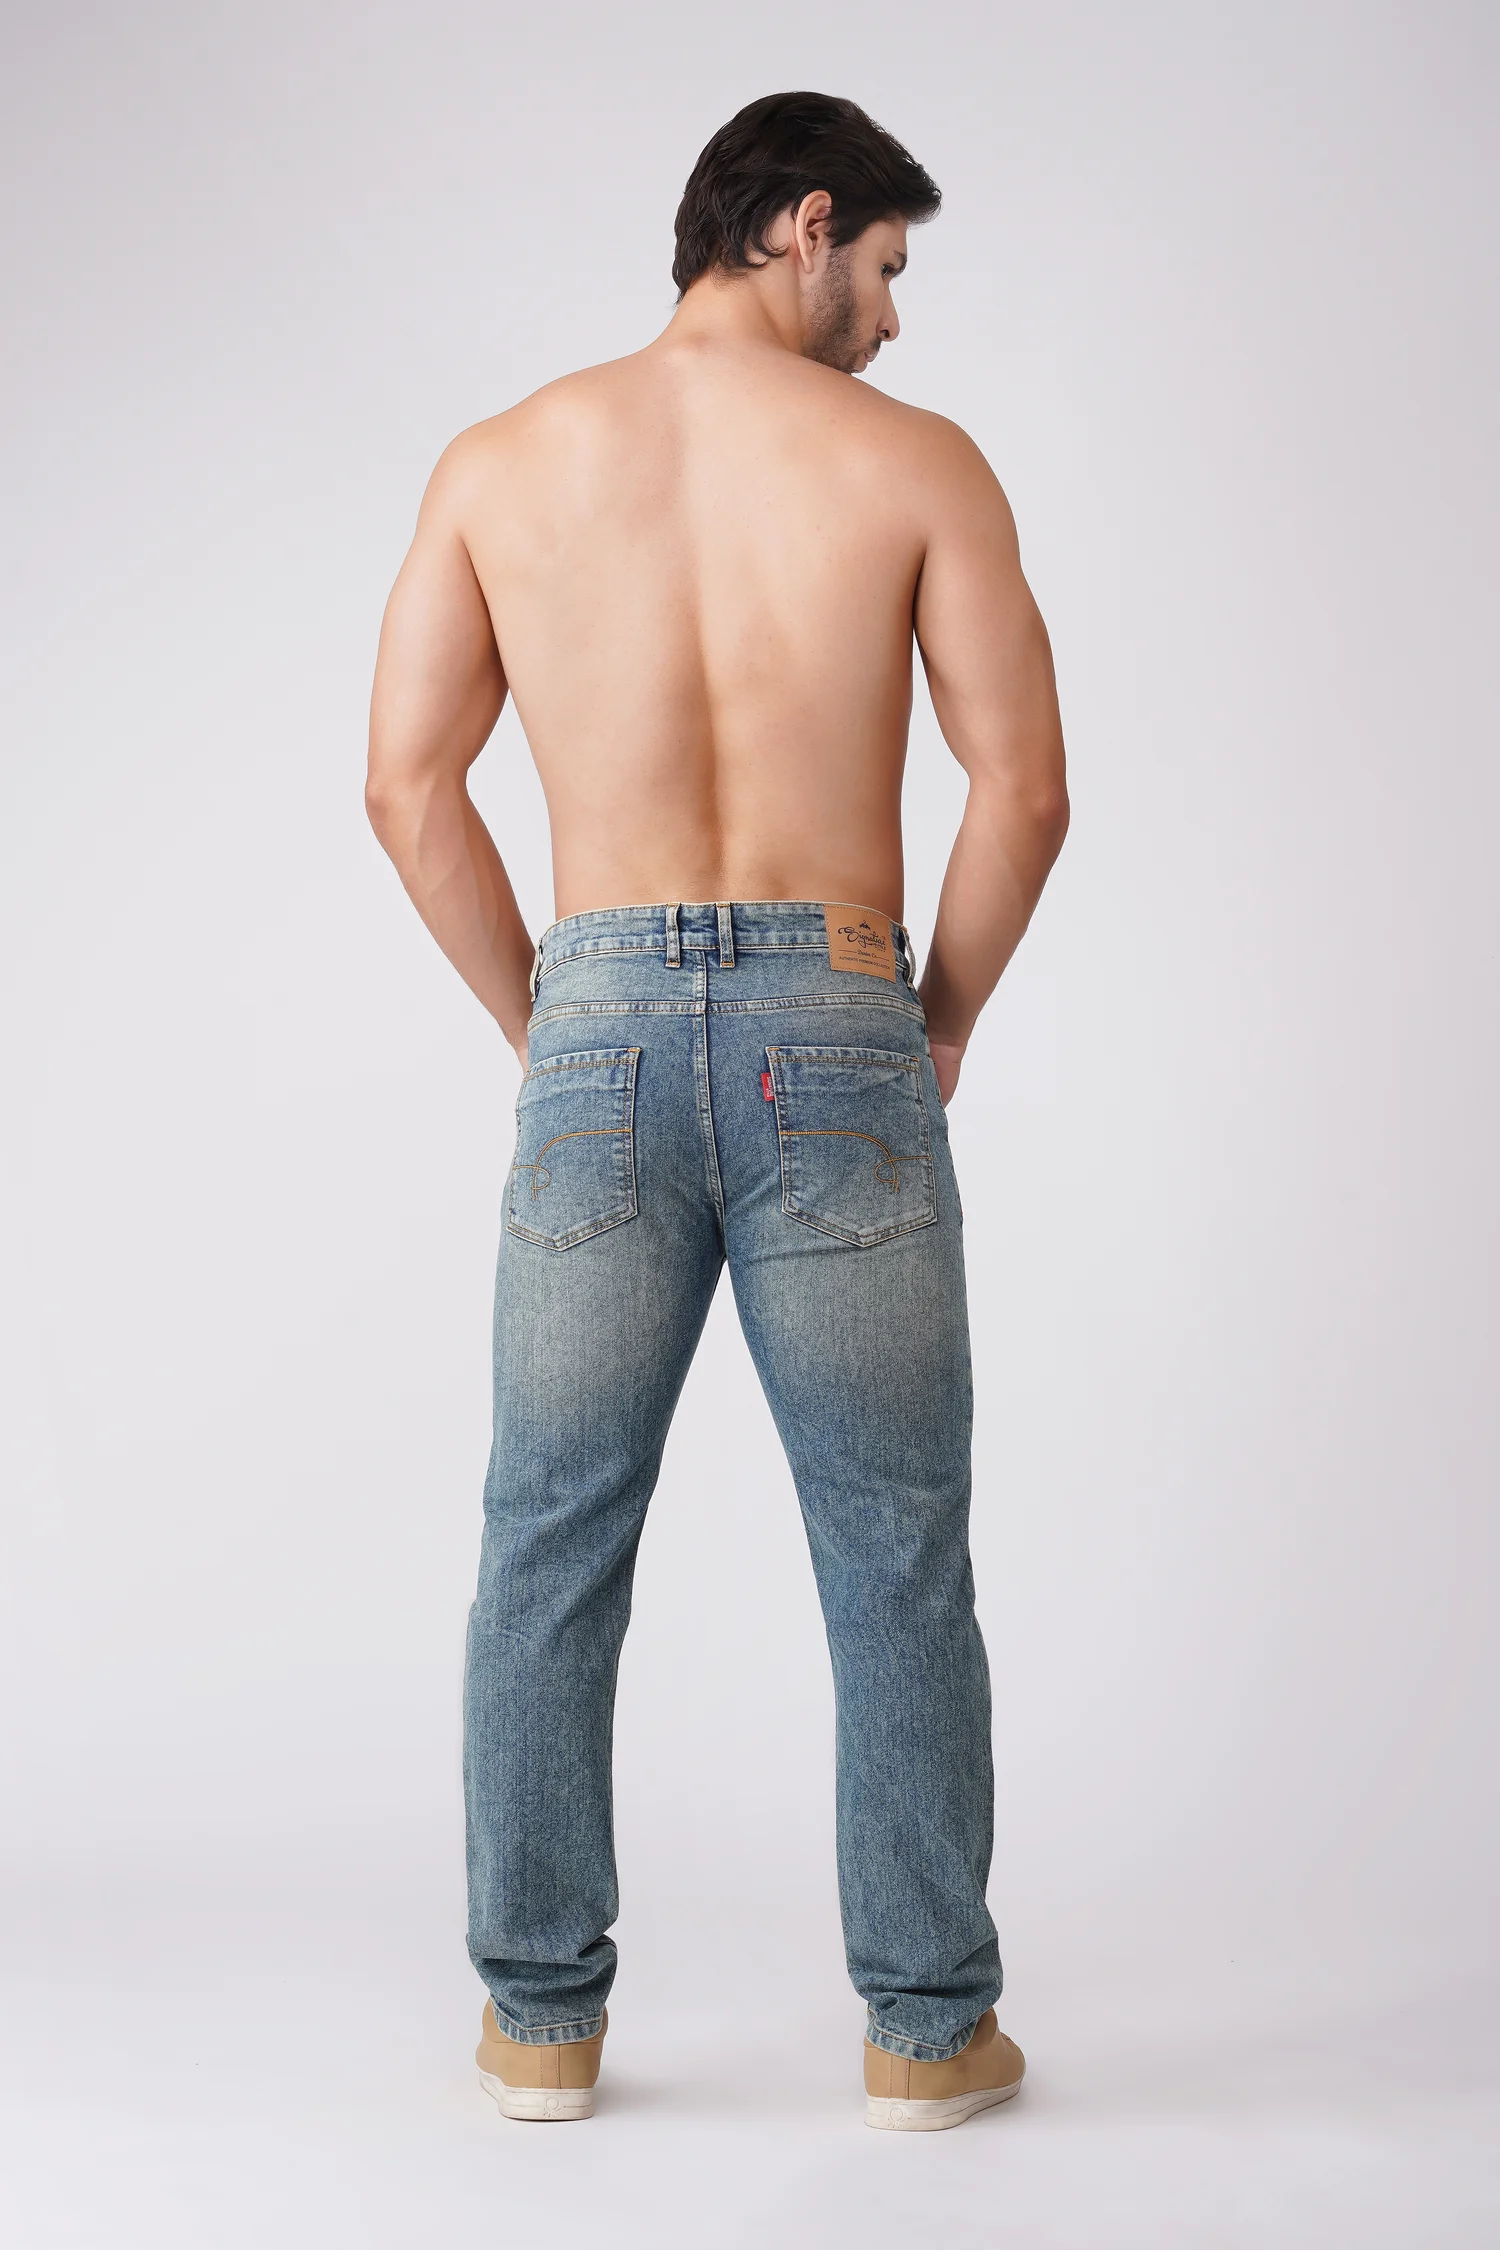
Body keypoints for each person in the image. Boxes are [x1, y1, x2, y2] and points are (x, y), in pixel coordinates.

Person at [365, 89, 1068, 2132]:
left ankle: (537, 2022)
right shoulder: (914, 466)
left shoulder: (503, 462)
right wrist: (932, 1019)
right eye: (890, 271)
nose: (896, 321)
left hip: (593, 1021)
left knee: (547, 1535)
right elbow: (1025, 789)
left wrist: (553, 1019)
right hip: (838, 1020)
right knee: (896, 1541)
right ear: (805, 225)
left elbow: (405, 785)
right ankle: (927, 2034)